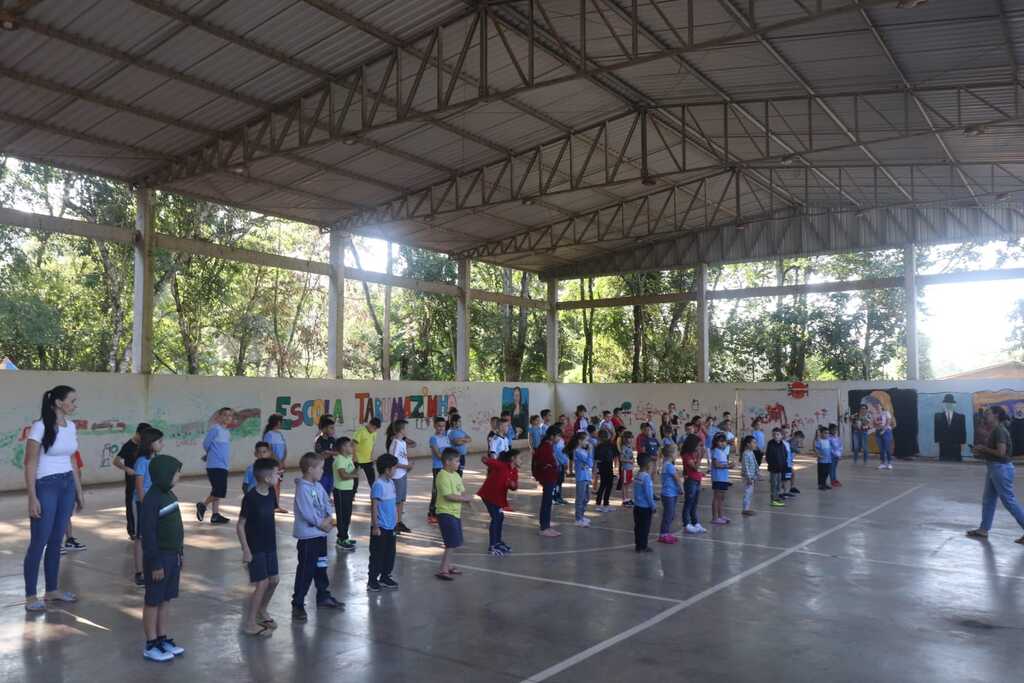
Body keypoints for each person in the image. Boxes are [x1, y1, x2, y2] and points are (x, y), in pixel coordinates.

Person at [23, 385, 83, 612]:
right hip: (46, 486)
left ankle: (52, 590)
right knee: (39, 541)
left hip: (67, 484)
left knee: (57, 541)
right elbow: (29, 463)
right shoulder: (39, 427)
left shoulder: (71, 427)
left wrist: (78, 491)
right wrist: (32, 497)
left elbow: (73, 461)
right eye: (72, 401)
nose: (75, 405)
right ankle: (30, 596)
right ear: (59, 402)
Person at [140, 454, 186, 662]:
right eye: (176, 473)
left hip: (172, 557)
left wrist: (180, 553)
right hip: (158, 559)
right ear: (164, 475)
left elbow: (178, 529)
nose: (179, 476)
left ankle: (161, 638)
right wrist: (155, 563)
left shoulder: (169, 495)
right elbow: (148, 535)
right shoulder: (151, 499)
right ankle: (150, 644)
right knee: (153, 601)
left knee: (165, 599)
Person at [291, 452, 343, 621]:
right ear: (310, 469)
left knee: (321, 567)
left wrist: (328, 519)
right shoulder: (302, 489)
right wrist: (322, 524)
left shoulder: (318, 486)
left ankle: (323, 596)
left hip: (321, 535)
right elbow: (308, 513)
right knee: (306, 570)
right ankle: (298, 603)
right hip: (308, 538)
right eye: (320, 468)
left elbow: (327, 503)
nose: (323, 471)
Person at [237, 457, 282, 637]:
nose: (280, 475)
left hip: (270, 544)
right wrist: (245, 550)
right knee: (262, 583)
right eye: (277, 473)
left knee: (274, 580)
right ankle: (249, 623)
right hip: (255, 547)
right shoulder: (250, 498)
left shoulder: (271, 493)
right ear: (267, 478)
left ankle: (262, 611)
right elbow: (240, 525)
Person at [966, 406, 1024, 544]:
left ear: (996, 415)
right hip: (994, 467)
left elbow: (1001, 453)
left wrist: (983, 448)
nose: (985, 416)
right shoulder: (995, 430)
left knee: (1009, 501)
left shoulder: (999, 430)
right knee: (988, 500)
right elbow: (995, 453)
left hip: (1001, 469)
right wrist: (981, 453)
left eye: (988, 413)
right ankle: (983, 530)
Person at [133, 427, 164, 586]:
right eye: (159, 441)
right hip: (142, 503)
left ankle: (153, 566)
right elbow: (139, 485)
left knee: (154, 535)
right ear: (149, 443)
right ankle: (139, 571)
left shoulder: (157, 460)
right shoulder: (141, 461)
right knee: (140, 537)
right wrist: (145, 504)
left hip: (155, 502)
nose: (162, 444)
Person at [435, 448, 473, 580]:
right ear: (447, 462)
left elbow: (461, 492)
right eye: (456, 461)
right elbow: (448, 496)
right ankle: (443, 569)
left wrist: (469, 502)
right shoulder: (442, 475)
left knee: (454, 542)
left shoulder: (456, 475)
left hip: (455, 513)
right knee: (450, 543)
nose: (459, 464)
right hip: (445, 513)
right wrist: (465, 499)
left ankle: (448, 566)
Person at [113, 422, 150, 540]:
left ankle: (144, 528)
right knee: (132, 504)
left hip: (144, 481)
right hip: (132, 481)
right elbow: (116, 461)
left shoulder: (146, 446)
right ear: (138, 434)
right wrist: (126, 468)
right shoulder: (128, 446)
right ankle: (132, 530)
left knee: (144, 503)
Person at [368, 454, 400, 592]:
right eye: (395, 468)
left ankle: (385, 576)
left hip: (391, 526)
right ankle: (372, 580)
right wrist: (376, 526)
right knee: (377, 555)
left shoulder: (391, 483)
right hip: (380, 527)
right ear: (387, 470)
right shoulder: (378, 485)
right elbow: (374, 506)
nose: (396, 471)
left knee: (390, 554)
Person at [197, 407, 233, 525]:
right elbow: (206, 443)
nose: (228, 417)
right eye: (225, 415)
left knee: (216, 490)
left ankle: (215, 515)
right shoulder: (216, 429)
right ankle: (203, 505)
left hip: (223, 465)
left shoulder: (227, 432)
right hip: (215, 465)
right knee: (219, 490)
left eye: (230, 415)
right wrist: (210, 454)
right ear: (219, 417)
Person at [478, 448, 518, 556]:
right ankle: (492, 545)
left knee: (500, 517)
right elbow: (486, 460)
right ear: (513, 459)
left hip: (499, 498)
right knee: (496, 517)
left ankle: (498, 542)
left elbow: (514, 486)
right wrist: (487, 459)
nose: (522, 460)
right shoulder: (501, 466)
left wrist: (513, 485)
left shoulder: (514, 470)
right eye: (520, 458)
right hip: (489, 495)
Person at [386, 420, 416, 533]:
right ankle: (392, 524)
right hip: (397, 476)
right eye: (405, 428)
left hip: (403, 474)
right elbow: (392, 462)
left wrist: (407, 467)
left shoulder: (402, 443)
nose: (407, 431)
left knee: (401, 500)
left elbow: (403, 457)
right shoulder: (395, 443)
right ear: (402, 430)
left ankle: (399, 522)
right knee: (395, 501)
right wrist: (406, 466)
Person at [533, 425, 562, 537]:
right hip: (548, 478)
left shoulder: (549, 446)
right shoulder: (545, 447)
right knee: (546, 503)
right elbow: (542, 463)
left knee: (548, 503)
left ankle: (547, 526)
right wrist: (552, 466)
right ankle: (544, 527)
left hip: (551, 477)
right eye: (558, 436)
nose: (559, 438)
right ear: (552, 436)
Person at [332, 437, 359, 552]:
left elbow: (354, 470)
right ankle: (341, 539)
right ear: (343, 448)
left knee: (347, 515)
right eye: (349, 446)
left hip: (348, 490)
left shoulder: (347, 458)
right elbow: (343, 475)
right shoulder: (339, 459)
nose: (351, 448)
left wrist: (353, 473)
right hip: (341, 491)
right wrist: (354, 475)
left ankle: (345, 537)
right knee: (342, 516)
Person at [263, 414, 290, 513]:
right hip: (272, 463)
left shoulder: (279, 434)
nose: (281, 423)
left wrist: (283, 460)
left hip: (280, 464)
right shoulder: (268, 435)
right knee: (272, 484)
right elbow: (269, 449)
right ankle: (270, 505)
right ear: (276, 422)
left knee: (278, 484)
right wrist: (278, 461)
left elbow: (285, 448)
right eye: (280, 421)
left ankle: (276, 505)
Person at [428, 417, 452, 525]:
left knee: (446, 490)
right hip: (438, 467)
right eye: (439, 426)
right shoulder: (433, 439)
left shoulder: (446, 438)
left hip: (447, 467)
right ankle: (432, 513)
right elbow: (438, 454)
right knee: (436, 491)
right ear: (434, 426)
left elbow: (450, 452)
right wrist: (449, 459)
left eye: (443, 426)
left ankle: (443, 511)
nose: (441, 428)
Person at [62, 450, 87, 553]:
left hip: (69, 488)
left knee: (66, 515)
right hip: (55, 487)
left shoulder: (73, 449)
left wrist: (78, 492)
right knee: (54, 516)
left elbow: (77, 470)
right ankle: (53, 543)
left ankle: (69, 540)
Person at [658, 443, 683, 543]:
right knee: (668, 515)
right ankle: (663, 534)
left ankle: (666, 533)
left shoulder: (666, 465)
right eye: (676, 451)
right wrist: (681, 488)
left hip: (670, 493)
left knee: (670, 514)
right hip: (669, 494)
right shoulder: (669, 466)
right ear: (672, 454)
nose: (678, 453)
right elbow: (677, 479)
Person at [681, 434, 706, 534]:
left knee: (694, 503)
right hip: (690, 480)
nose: (699, 447)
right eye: (698, 445)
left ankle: (695, 522)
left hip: (697, 479)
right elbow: (695, 467)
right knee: (689, 503)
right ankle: (687, 523)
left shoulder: (694, 454)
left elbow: (697, 469)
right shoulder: (687, 455)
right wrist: (700, 457)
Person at [352, 417, 382, 492]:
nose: (374, 430)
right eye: (374, 428)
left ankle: (374, 496)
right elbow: (353, 445)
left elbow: (372, 445)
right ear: (370, 424)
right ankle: (352, 495)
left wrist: (371, 455)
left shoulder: (374, 433)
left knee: (372, 479)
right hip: (357, 460)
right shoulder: (360, 431)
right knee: (354, 478)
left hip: (368, 460)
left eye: (376, 429)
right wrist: (354, 457)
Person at [633, 456, 655, 553]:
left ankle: (638, 545)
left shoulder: (637, 475)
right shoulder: (646, 478)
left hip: (637, 506)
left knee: (638, 527)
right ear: (648, 466)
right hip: (645, 507)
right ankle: (644, 546)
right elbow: (649, 494)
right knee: (645, 528)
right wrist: (653, 505)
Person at [709, 432, 732, 525]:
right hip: (718, 478)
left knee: (722, 498)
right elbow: (716, 465)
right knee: (717, 497)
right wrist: (728, 465)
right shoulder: (715, 451)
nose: (723, 443)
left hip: (723, 478)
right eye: (720, 441)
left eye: (724, 442)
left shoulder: (723, 452)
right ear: (716, 442)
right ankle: (715, 517)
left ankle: (721, 515)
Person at [571, 432, 594, 527]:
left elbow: (589, 463)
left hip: (586, 476)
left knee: (586, 497)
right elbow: (590, 463)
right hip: (581, 477)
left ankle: (582, 515)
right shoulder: (577, 451)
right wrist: (590, 451)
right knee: (580, 498)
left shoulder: (583, 450)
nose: (587, 442)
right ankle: (578, 518)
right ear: (580, 441)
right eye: (586, 440)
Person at [593, 428, 617, 513]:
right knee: (605, 485)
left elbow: (614, 455)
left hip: (607, 466)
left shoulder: (608, 445)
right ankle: (600, 504)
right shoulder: (600, 446)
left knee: (606, 485)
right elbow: (596, 458)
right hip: (605, 466)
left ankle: (604, 504)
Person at [313, 416, 337, 498]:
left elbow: (338, 452)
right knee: (321, 490)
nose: (333, 430)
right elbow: (321, 455)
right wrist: (330, 453)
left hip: (331, 470)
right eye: (331, 428)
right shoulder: (319, 440)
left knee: (329, 490)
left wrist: (328, 452)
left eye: (333, 428)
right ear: (324, 428)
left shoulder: (333, 440)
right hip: (322, 471)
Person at [765, 429, 788, 508]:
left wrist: (784, 465)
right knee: (774, 484)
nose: (776, 436)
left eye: (778, 434)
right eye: (774, 434)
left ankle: (777, 497)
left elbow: (785, 455)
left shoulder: (782, 444)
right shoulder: (770, 444)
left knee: (778, 483)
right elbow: (768, 456)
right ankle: (773, 499)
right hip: (773, 468)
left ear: (781, 436)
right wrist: (771, 464)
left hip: (780, 468)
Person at [873, 402, 896, 470]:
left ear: (881, 407)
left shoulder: (886, 413)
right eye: (876, 407)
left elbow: (888, 422)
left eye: (878, 406)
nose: (877, 407)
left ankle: (889, 463)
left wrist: (884, 430)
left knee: (887, 447)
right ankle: (882, 463)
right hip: (878, 432)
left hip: (886, 431)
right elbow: (874, 424)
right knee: (881, 449)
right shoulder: (874, 415)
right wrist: (877, 427)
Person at [740, 436, 758, 517]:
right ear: (748, 444)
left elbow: (755, 463)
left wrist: (757, 472)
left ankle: (747, 508)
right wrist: (749, 478)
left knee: (750, 493)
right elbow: (746, 466)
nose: (755, 444)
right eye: (753, 442)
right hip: (748, 477)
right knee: (747, 493)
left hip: (752, 476)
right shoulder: (745, 454)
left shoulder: (751, 452)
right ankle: (745, 509)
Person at [552, 428, 569, 505]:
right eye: (557, 436)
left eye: (559, 436)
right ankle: (555, 498)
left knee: (559, 482)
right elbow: (560, 456)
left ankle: (558, 497)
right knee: (556, 483)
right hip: (557, 466)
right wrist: (565, 463)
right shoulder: (555, 446)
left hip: (561, 466)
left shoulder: (560, 443)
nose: (559, 438)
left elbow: (564, 454)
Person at [815, 426, 833, 490]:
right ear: (821, 434)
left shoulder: (828, 441)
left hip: (828, 460)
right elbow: (816, 449)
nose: (827, 434)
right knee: (821, 473)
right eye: (825, 433)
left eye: (828, 433)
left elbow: (831, 449)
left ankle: (824, 483)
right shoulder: (819, 441)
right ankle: (821, 485)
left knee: (827, 472)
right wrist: (818, 455)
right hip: (822, 460)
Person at [620, 430, 635, 506]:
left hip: (630, 468)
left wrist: (632, 460)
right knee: (625, 484)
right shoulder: (624, 447)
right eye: (629, 438)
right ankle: (624, 499)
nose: (631, 439)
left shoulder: (630, 447)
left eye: (631, 438)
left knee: (628, 484)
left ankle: (628, 498)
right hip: (625, 468)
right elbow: (621, 459)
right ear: (625, 439)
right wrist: (629, 461)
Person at [828, 423, 843, 488]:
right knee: (832, 468)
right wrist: (835, 454)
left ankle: (834, 479)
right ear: (830, 430)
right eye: (833, 430)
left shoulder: (837, 437)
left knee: (834, 468)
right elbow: (830, 448)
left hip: (837, 456)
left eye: (835, 430)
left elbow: (840, 445)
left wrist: (839, 453)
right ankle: (832, 480)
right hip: (831, 456)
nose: (835, 431)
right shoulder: (828, 438)